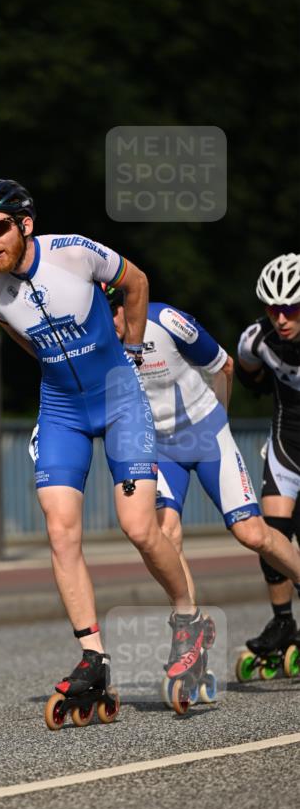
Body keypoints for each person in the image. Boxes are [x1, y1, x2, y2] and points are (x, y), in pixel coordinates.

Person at [0, 177, 204, 717]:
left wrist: (136, 352)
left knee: (140, 528)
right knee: (59, 529)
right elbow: (25, 338)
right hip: (62, 410)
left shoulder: (74, 253)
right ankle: (92, 656)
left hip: (119, 398)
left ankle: (188, 623)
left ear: (25, 225)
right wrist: (57, 373)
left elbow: (137, 281)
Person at [105, 284, 300, 608]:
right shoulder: (98, 343)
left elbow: (224, 365)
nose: (109, 320)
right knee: (165, 534)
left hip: (206, 432)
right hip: (161, 447)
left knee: (251, 533)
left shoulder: (165, 319)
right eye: (101, 312)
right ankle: (190, 627)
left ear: (127, 304)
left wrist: (218, 424)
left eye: (113, 309)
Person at [235, 253, 300, 666]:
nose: (281, 318)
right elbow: (247, 371)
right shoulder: (254, 339)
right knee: (271, 533)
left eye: (290, 308)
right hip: (288, 441)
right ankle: (282, 621)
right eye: (273, 308)